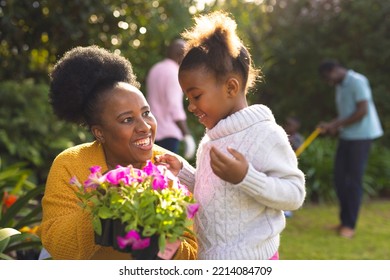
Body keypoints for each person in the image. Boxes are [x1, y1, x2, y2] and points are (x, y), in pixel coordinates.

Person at [158, 11, 306, 260]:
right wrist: (183, 172)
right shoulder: (213, 137)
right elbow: (217, 193)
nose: (191, 107)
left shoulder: (265, 134)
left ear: (231, 87)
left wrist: (246, 177)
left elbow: (294, 194)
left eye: (196, 96)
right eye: (187, 98)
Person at [37, 46, 197, 260]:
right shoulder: (70, 163)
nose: (145, 127)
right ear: (99, 133)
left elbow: (193, 252)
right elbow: (57, 242)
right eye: (127, 120)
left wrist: (164, 247)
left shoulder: (168, 168)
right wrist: (103, 211)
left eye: (146, 113)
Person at [318, 59, 383, 238]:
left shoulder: (358, 81)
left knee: (353, 181)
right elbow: (346, 114)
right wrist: (332, 126)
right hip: (347, 136)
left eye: (328, 77)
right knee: (339, 179)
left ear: (335, 70)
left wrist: (337, 124)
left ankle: (350, 225)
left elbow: (362, 111)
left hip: (362, 137)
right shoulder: (340, 86)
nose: (329, 82)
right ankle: (343, 221)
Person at [146, 39, 196, 159]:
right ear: (181, 55)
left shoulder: (155, 69)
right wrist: (187, 135)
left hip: (151, 130)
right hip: (168, 134)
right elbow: (174, 107)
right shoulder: (174, 73)